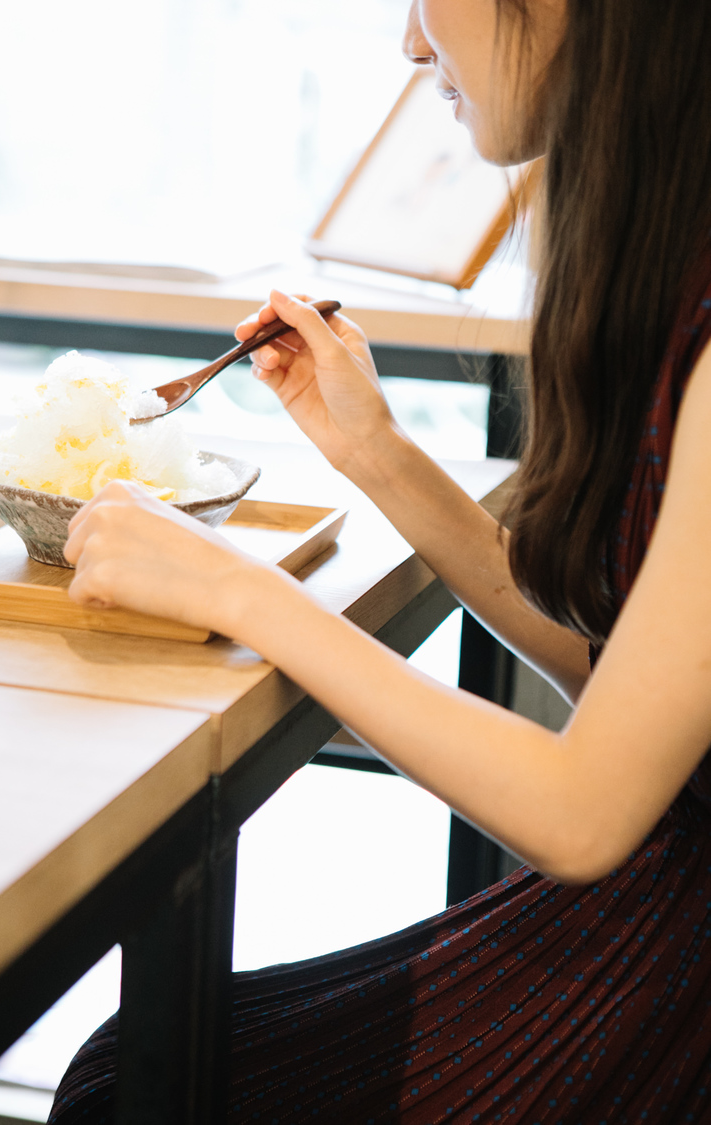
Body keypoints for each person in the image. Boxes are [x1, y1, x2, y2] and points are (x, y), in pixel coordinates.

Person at [48, 0, 711, 1120]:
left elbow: (587, 810)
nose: (412, 41)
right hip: (660, 911)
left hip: (671, 965)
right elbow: (618, 688)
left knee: (133, 1088)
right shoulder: (674, 264)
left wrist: (232, 586)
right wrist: (376, 451)